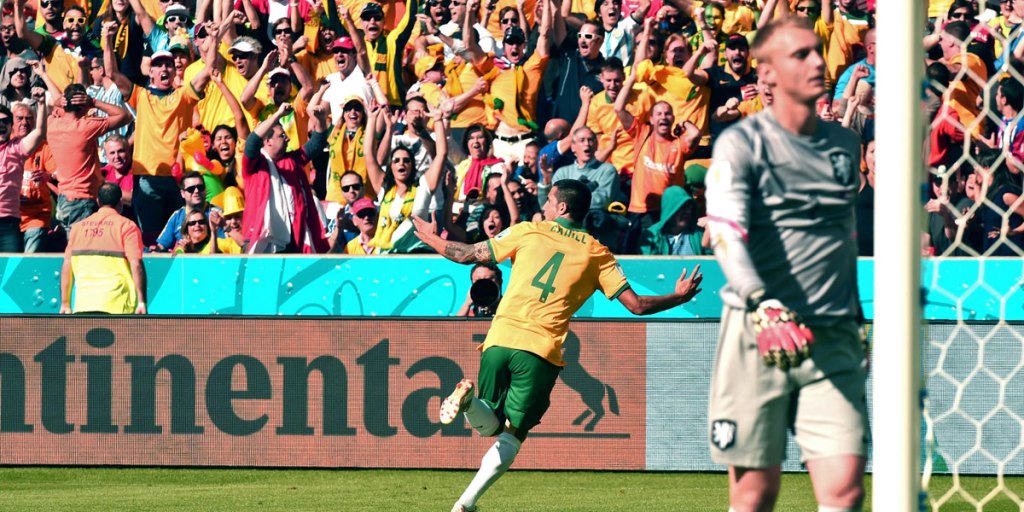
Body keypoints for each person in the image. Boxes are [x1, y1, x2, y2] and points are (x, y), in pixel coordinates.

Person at [411, 178, 703, 512]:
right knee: (511, 435)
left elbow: (467, 256)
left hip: (498, 339)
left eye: (548, 201)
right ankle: (465, 503)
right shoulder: (597, 253)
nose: (545, 207)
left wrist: (430, 237)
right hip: (540, 351)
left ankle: (468, 403)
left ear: (562, 207)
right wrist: (678, 297)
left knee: (488, 422)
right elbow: (637, 306)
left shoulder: (527, 231)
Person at [704, 18, 867, 511]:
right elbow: (727, 233)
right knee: (754, 495)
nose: (818, 61)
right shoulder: (740, 143)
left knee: (845, 491)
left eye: (818, 51)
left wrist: (854, 317)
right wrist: (762, 302)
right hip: (759, 328)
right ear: (767, 73)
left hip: (832, 335)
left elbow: (840, 240)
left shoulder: (845, 145)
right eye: (801, 54)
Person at [60, 182, 147, 314]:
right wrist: (142, 302)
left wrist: (65, 303)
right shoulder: (127, 226)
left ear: (98, 201)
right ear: (121, 202)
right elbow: (136, 264)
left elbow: (67, 265)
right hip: (117, 305)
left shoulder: (78, 228)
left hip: (84, 305)